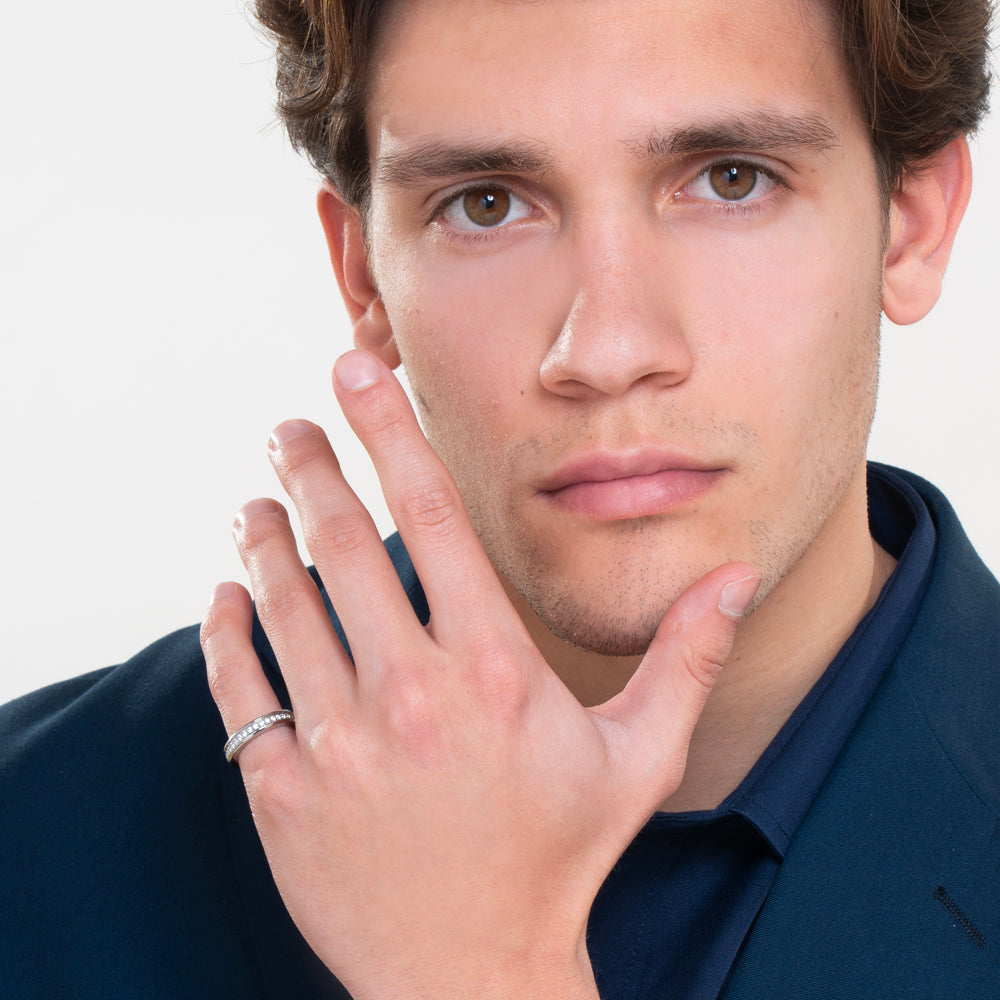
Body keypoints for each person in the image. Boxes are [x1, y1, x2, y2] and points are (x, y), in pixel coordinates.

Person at [1, 0, 996, 997]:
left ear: (910, 224)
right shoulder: (31, 834)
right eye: (486, 203)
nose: (606, 350)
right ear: (365, 280)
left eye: (730, 180)